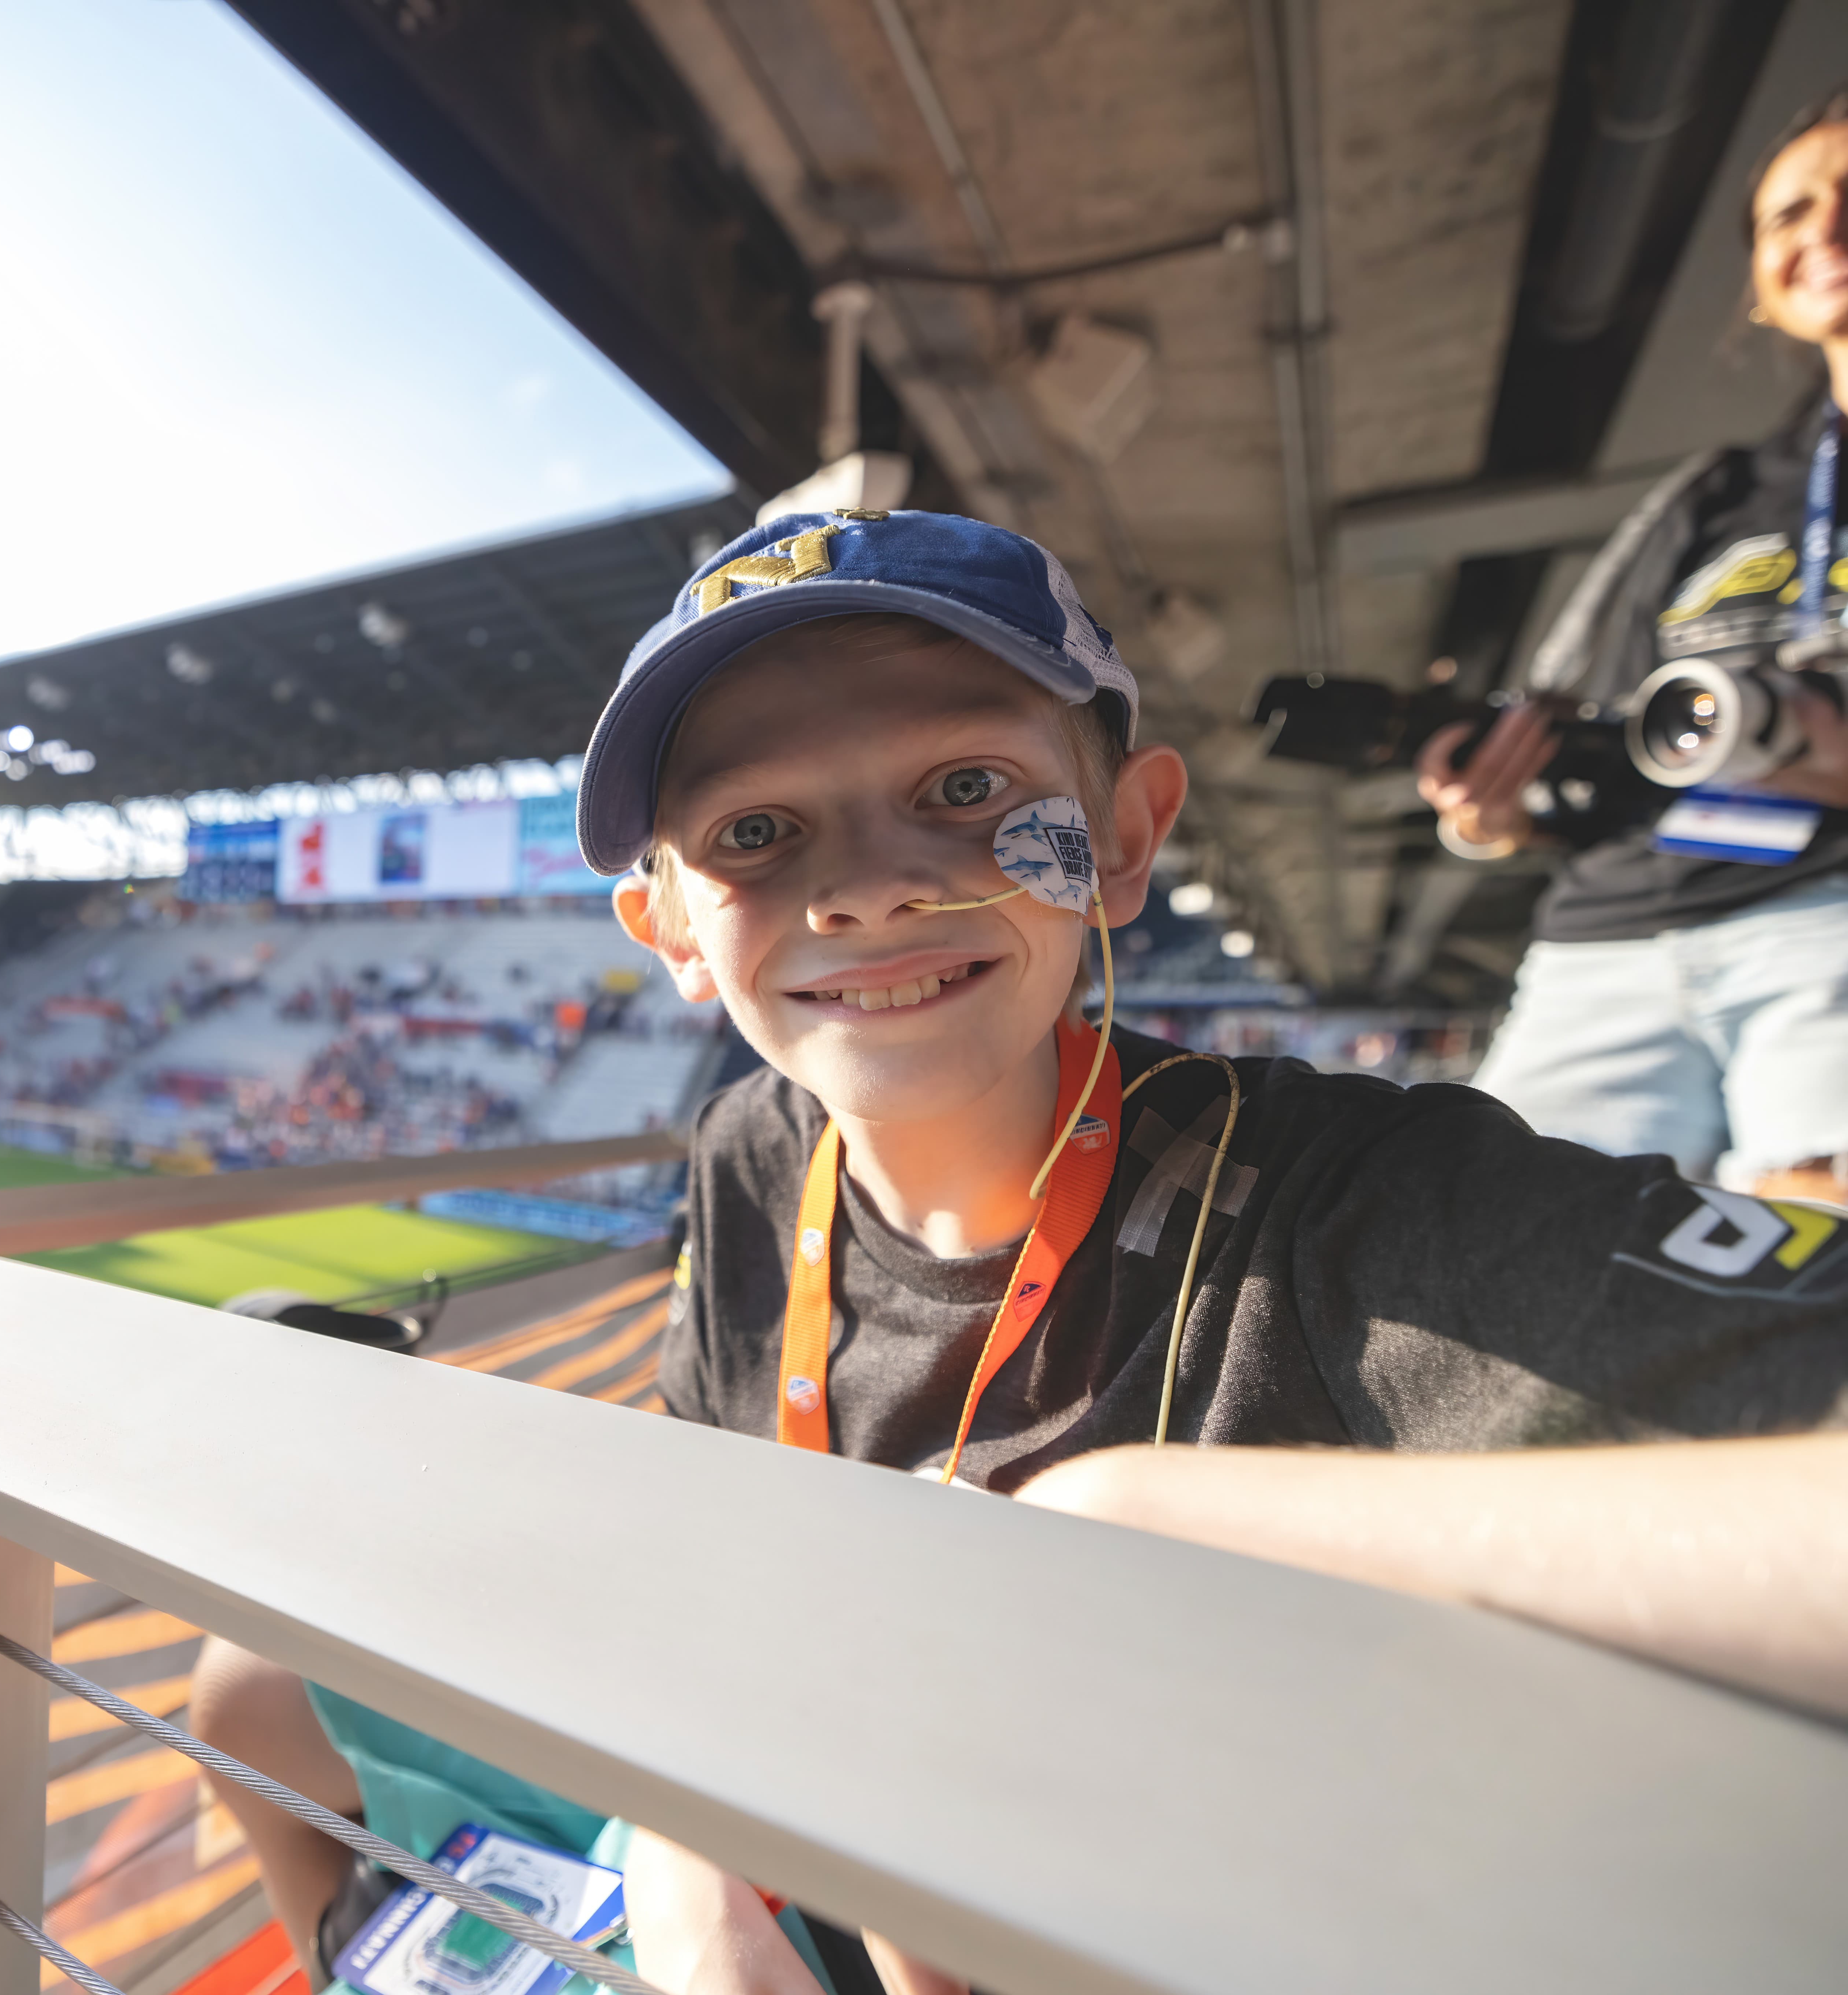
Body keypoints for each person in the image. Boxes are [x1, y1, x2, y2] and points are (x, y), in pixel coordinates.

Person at [192, 508, 1848, 1995]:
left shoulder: (1362, 1205)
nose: (864, 890)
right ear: (672, 932)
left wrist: (1120, 1521)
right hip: (790, 1797)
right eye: (754, 834)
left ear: (1124, 838)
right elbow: (729, 1558)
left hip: (1149, 1906)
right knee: (254, 1681)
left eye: (967, 790)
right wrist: (690, 1853)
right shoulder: (752, 1151)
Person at [1418, 84, 1848, 1200]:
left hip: (1828, 920)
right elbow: (1610, 733)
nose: (1825, 231)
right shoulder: (1711, 495)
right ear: (1762, 289)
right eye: (1789, 214)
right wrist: (1502, 812)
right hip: (1611, 938)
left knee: (1810, 1269)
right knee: (1499, 1249)